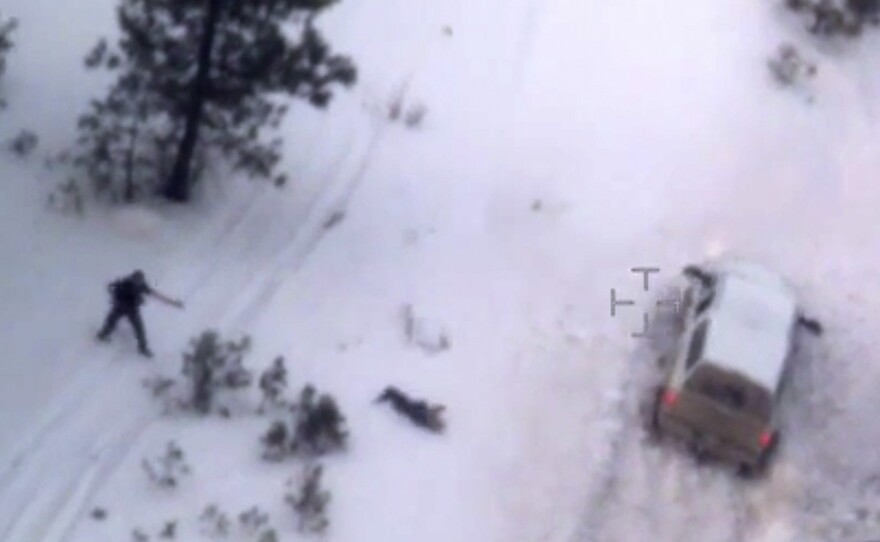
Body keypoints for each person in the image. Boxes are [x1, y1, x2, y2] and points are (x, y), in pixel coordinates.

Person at [96, 270, 183, 358]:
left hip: (131, 310)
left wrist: (174, 303)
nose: (139, 282)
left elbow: (155, 294)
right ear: (133, 278)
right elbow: (112, 288)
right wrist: (131, 301)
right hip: (121, 307)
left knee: (139, 329)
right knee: (112, 321)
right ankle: (103, 335)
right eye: (137, 280)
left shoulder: (141, 286)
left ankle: (142, 348)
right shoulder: (124, 284)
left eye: (140, 280)